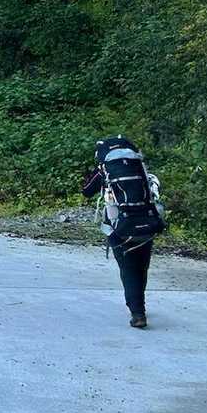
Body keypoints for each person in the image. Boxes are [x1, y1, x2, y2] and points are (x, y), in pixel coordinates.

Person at [82, 136, 163, 329]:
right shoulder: (140, 168)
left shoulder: (105, 170)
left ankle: (138, 313)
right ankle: (139, 306)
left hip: (119, 227)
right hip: (147, 223)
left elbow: (86, 191)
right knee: (141, 266)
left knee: (128, 268)